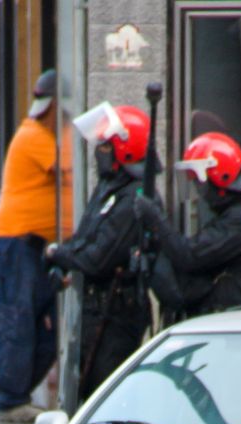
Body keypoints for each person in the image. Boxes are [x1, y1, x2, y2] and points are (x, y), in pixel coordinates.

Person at [45, 101, 154, 402]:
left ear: (124, 150)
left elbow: (98, 259)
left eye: (105, 147)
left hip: (116, 315)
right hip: (94, 311)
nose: (99, 153)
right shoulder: (109, 187)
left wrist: (57, 254)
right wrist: (63, 259)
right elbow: (84, 238)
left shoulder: (134, 197)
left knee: (104, 394)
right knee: (84, 390)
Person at [0, 70, 65, 422]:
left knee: (42, 325)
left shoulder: (44, 135)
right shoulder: (34, 135)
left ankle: (15, 393)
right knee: (17, 321)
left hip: (32, 247)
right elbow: (71, 166)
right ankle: (7, 399)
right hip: (14, 244)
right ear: (56, 106)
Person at [134, 131, 241, 321]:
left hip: (229, 322)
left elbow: (190, 255)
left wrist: (156, 219)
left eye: (200, 182)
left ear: (220, 177)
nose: (199, 191)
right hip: (222, 318)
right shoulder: (237, 212)